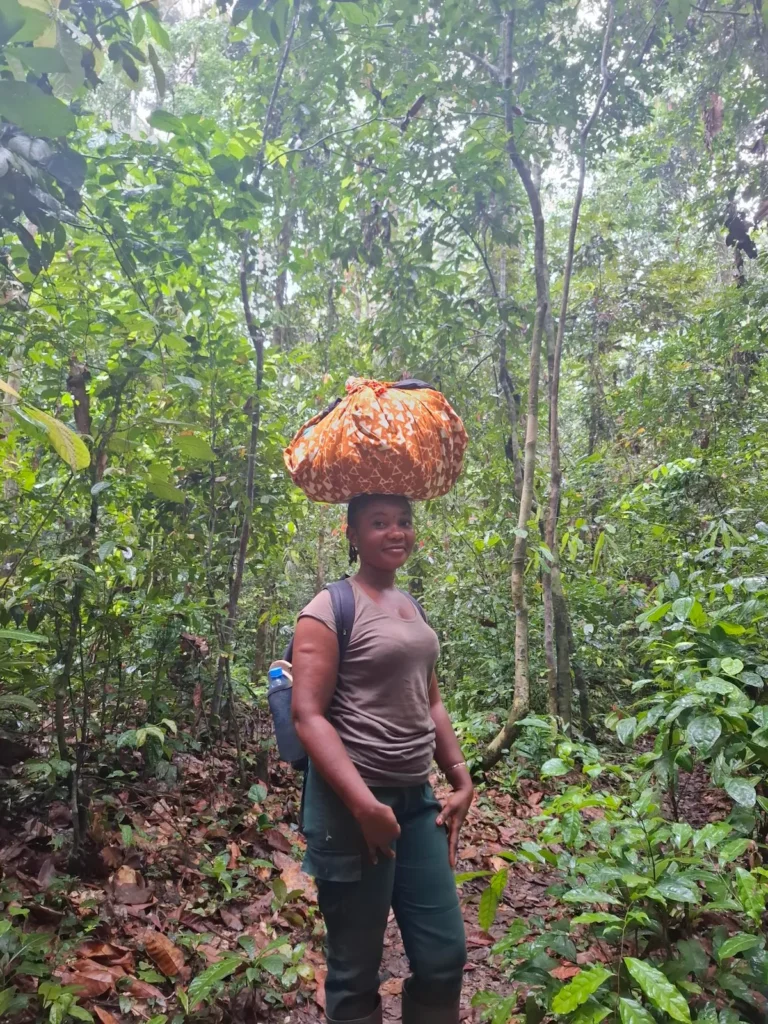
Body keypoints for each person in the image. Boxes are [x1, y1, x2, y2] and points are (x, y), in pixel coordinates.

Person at [292, 493, 474, 1024]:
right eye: (379, 523)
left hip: (416, 803)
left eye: (404, 522)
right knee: (355, 969)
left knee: (444, 956)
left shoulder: (411, 607)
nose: (396, 533)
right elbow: (309, 716)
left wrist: (460, 778)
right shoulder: (328, 609)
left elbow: (431, 701)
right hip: (351, 808)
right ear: (351, 534)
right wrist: (363, 805)